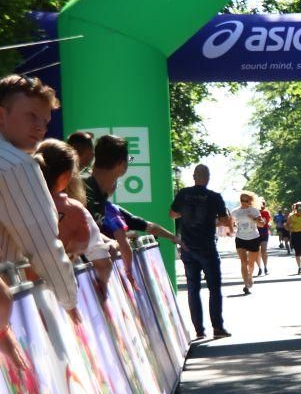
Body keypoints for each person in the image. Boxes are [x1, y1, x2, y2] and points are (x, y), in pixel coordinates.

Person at [0, 75, 78, 312]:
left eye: (45, 121)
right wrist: (70, 304)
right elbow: (43, 247)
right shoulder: (16, 165)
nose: (41, 128)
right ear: (1, 115)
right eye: (31, 116)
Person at [84, 134, 182, 284]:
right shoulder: (80, 188)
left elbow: (145, 224)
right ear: (122, 164)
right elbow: (81, 230)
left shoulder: (104, 202)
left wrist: (173, 237)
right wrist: (116, 243)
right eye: (129, 160)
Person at [169, 164, 232, 340]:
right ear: (208, 178)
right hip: (207, 247)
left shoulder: (183, 194)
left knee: (193, 288)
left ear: (194, 177)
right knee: (214, 288)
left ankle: (199, 330)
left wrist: (185, 215)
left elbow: (172, 214)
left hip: (188, 247)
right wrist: (213, 220)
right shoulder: (214, 197)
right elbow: (224, 220)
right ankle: (218, 328)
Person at [33, 139, 91, 258]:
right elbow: (81, 246)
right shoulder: (74, 209)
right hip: (56, 268)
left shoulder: (14, 199)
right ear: (66, 176)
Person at [231, 191, 264, 295]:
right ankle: (246, 285)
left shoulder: (254, 211)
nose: (244, 202)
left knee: (251, 263)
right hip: (240, 238)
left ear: (250, 201)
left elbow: (261, 224)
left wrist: (253, 219)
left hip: (253, 238)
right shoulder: (235, 212)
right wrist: (231, 228)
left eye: (246, 200)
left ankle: (250, 276)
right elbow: (230, 223)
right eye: (242, 200)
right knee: (243, 262)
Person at [256, 200, 272, 276]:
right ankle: (259, 268)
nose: (261, 207)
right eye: (260, 205)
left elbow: (265, 222)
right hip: (254, 233)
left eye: (263, 205)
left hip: (264, 232)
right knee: (256, 251)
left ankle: (265, 267)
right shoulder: (253, 212)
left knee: (264, 250)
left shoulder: (266, 213)